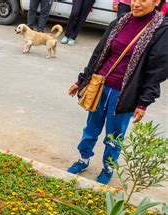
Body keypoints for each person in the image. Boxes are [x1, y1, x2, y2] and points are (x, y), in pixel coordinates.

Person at [66, 0, 167, 185]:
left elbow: (157, 70)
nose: (136, 4)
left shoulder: (160, 30)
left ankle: (108, 168)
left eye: (143, 0)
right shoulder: (121, 21)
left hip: (125, 94)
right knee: (91, 129)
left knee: (114, 136)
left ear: (157, 2)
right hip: (100, 87)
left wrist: (143, 102)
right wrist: (81, 80)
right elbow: (99, 53)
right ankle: (83, 159)